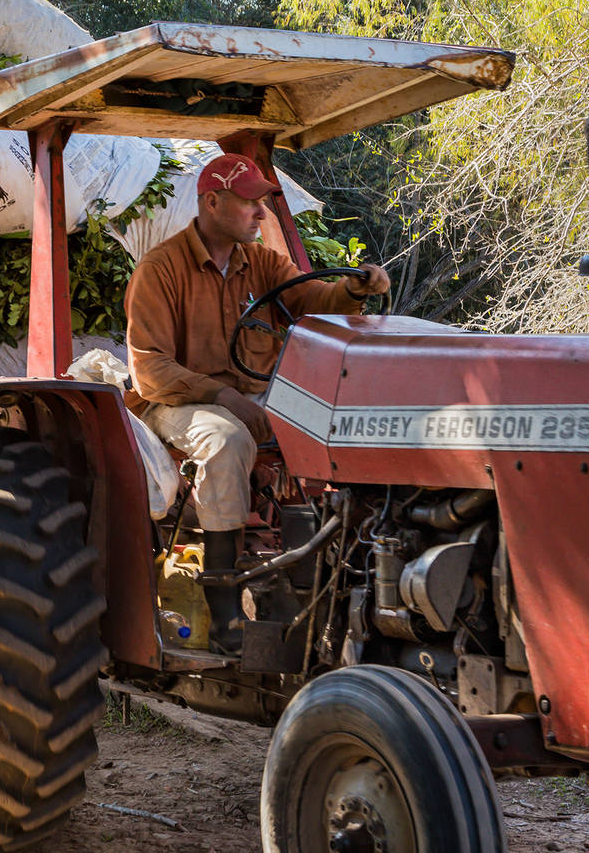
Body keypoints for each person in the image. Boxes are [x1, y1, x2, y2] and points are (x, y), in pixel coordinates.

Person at [124, 153, 390, 654]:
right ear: (212, 201)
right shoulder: (159, 271)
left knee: (333, 422)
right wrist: (224, 396)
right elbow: (151, 370)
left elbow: (315, 303)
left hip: (249, 395)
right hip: (174, 400)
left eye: (263, 204)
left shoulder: (264, 264)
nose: (261, 214)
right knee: (225, 440)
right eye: (250, 203)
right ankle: (225, 609)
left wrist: (353, 290)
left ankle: (331, 579)